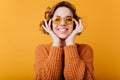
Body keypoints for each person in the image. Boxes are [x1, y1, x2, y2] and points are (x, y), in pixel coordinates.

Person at [34, 1, 94, 80]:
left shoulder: (85, 50)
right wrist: (56, 43)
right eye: (57, 19)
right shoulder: (42, 49)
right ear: (50, 24)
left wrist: (70, 42)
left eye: (68, 19)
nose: (62, 23)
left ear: (75, 24)